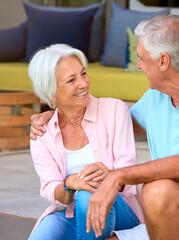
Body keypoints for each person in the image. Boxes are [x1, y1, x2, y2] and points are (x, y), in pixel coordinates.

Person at [31, 15, 179, 240]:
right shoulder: (158, 97)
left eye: (142, 58)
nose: (139, 65)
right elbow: (111, 120)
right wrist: (60, 111)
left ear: (163, 61)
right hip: (173, 214)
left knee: (156, 190)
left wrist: (117, 176)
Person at [27, 44, 144, 240]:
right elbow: (50, 188)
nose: (83, 83)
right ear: (51, 93)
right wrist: (70, 184)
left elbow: (129, 175)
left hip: (121, 211)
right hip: (70, 214)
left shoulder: (114, 110)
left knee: (89, 194)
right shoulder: (42, 133)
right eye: (71, 80)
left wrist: (108, 177)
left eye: (83, 74)